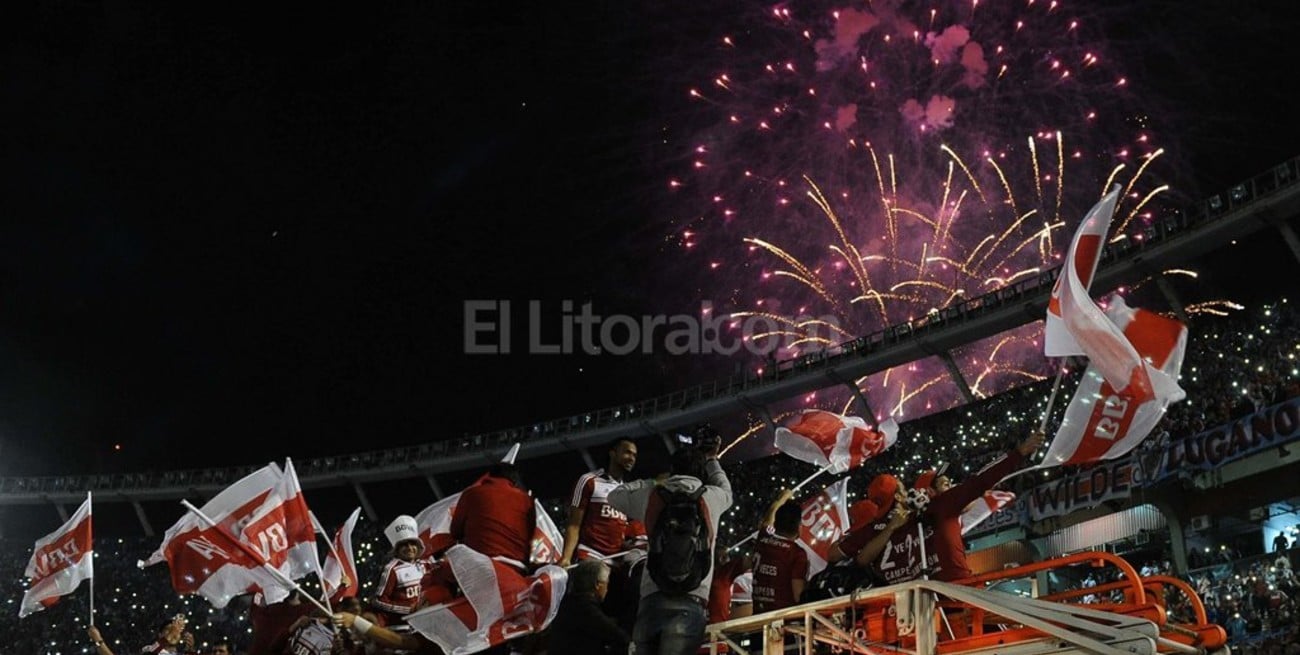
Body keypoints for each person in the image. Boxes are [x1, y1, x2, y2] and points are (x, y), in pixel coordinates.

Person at [849, 430, 1044, 584]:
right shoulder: (942, 505)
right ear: (928, 492)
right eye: (944, 484)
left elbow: (861, 558)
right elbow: (980, 481)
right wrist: (1019, 453)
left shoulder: (899, 524)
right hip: (957, 594)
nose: (951, 487)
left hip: (924, 601)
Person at [608, 439, 733, 655]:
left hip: (652, 597)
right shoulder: (711, 495)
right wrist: (712, 459)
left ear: (672, 469)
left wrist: (650, 482)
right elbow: (726, 488)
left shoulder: (652, 494)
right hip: (693, 598)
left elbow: (614, 495)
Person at [560, 437, 642, 630]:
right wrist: (565, 558)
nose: (632, 458)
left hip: (617, 565)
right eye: (627, 452)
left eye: (635, 455)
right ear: (612, 453)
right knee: (587, 621)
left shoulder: (628, 492)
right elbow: (573, 524)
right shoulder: (589, 481)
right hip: (591, 559)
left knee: (615, 619)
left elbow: (625, 529)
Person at [546, 559, 631, 654]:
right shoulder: (586, 609)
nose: (607, 589)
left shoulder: (566, 603)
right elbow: (621, 637)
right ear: (598, 585)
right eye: (607, 583)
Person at [751, 490, 808, 614]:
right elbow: (798, 594)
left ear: (775, 525)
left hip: (758, 616)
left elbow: (767, 520)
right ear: (799, 528)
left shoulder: (762, 540)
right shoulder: (797, 553)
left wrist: (782, 499)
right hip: (783, 621)